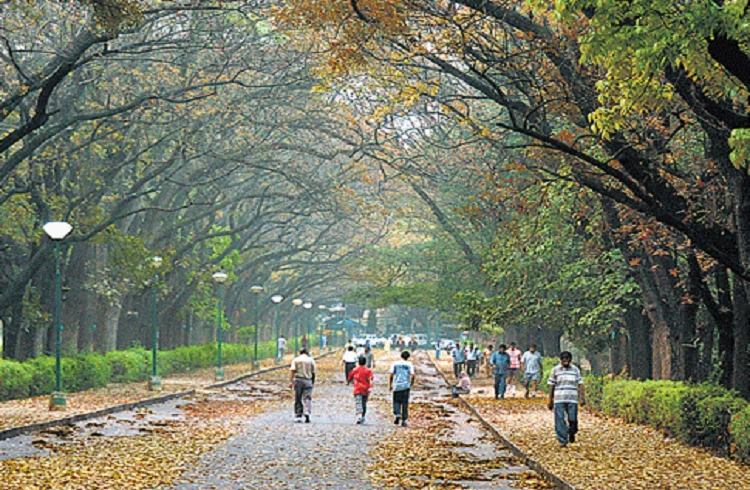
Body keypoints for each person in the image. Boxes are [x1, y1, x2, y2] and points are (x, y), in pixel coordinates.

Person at [547, 351, 585, 447]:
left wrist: (582, 397)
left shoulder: (575, 370)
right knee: (559, 420)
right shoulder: (555, 370)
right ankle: (562, 440)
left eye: (567, 360)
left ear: (570, 360)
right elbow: (551, 385)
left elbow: (580, 383)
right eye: (563, 360)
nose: (565, 362)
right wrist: (550, 399)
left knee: (573, 419)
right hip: (559, 398)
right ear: (561, 360)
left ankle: (571, 432)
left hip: (572, 398)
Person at [389, 350, 416, 427]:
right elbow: (413, 375)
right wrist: (411, 383)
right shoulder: (409, 364)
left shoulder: (395, 364)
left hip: (397, 386)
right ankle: (404, 420)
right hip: (405, 386)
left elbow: (391, 375)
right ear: (408, 357)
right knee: (405, 403)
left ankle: (397, 413)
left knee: (396, 402)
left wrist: (390, 384)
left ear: (401, 356)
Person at [289, 348, 316, 423]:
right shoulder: (310, 360)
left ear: (299, 353)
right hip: (308, 380)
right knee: (307, 397)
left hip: (298, 380)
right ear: (307, 352)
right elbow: (313, 372)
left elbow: (293, 371)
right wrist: (312, 381)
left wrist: (291, 381)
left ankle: (298, 415)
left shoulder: (296, 360)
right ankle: (307, 411)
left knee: (298, 397)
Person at [348, 356, 374, 424]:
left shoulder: (355, 370)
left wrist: (348, 382)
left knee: (358, 403)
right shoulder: (368, 370)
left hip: (357, 389)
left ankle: (359, 416)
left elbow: (350, 376)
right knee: (364, 403)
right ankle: (363, 416)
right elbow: (371, 379)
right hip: (365, 389)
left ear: (358, 362)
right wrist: (370, 387)